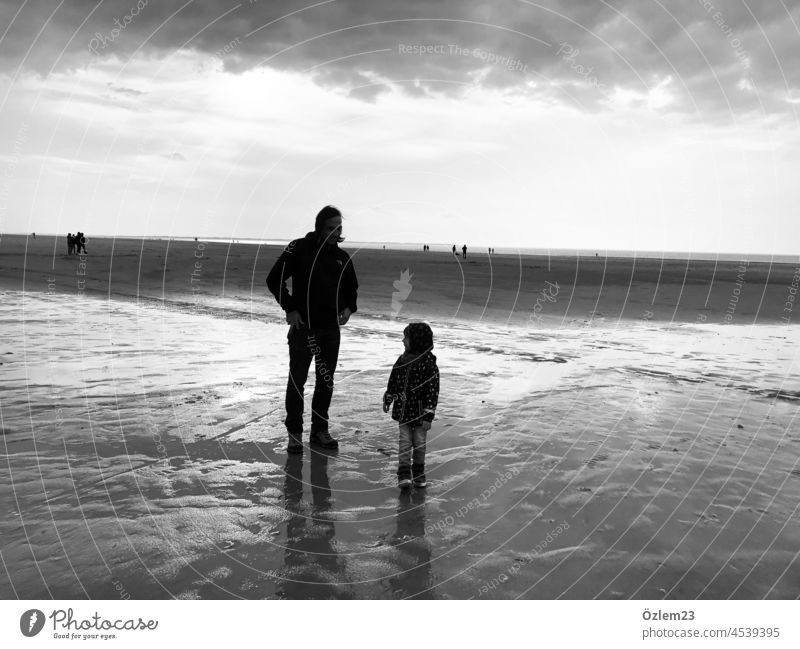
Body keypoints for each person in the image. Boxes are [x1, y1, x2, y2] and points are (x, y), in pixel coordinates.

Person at [267, 205, 358, 454]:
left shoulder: (342, 258)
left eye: (339, 228)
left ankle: (320, 431)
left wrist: (349, 309)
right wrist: (290, 308)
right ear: (319, 227)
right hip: (303, 328)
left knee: (325, 382)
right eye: (330, 228)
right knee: (297, 381)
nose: (335, 232)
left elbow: (352, 290)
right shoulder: (299, 248)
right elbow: (274, 279)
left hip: (330, 330)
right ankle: (294, 435)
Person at [383, 322, 439, 489]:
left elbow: (432, 391)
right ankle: (404, 474)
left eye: (406, 337)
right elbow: (393, 380)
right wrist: (388, 398)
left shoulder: (429, 364)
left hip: (421, 413)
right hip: (404, 411)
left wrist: (429, 415)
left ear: (417, 340)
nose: (403, 340)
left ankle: (419, 474)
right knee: (405, 442)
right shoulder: (402, 360)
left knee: (419, 443)